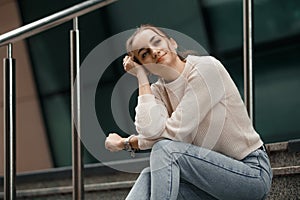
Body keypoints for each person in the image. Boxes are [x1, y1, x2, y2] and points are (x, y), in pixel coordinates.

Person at [105, 24, 272, 200]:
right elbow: (151, 130)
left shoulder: (206, 69)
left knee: (166, 149)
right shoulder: (158, 91)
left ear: (172, 43)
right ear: (144, 66)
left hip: (250, 174)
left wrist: (127, 142)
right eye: (144, 54)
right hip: (207, 183)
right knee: (149, 176)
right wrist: (141, 78)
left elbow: (175, 133)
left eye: (157, 42)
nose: (154, 51)